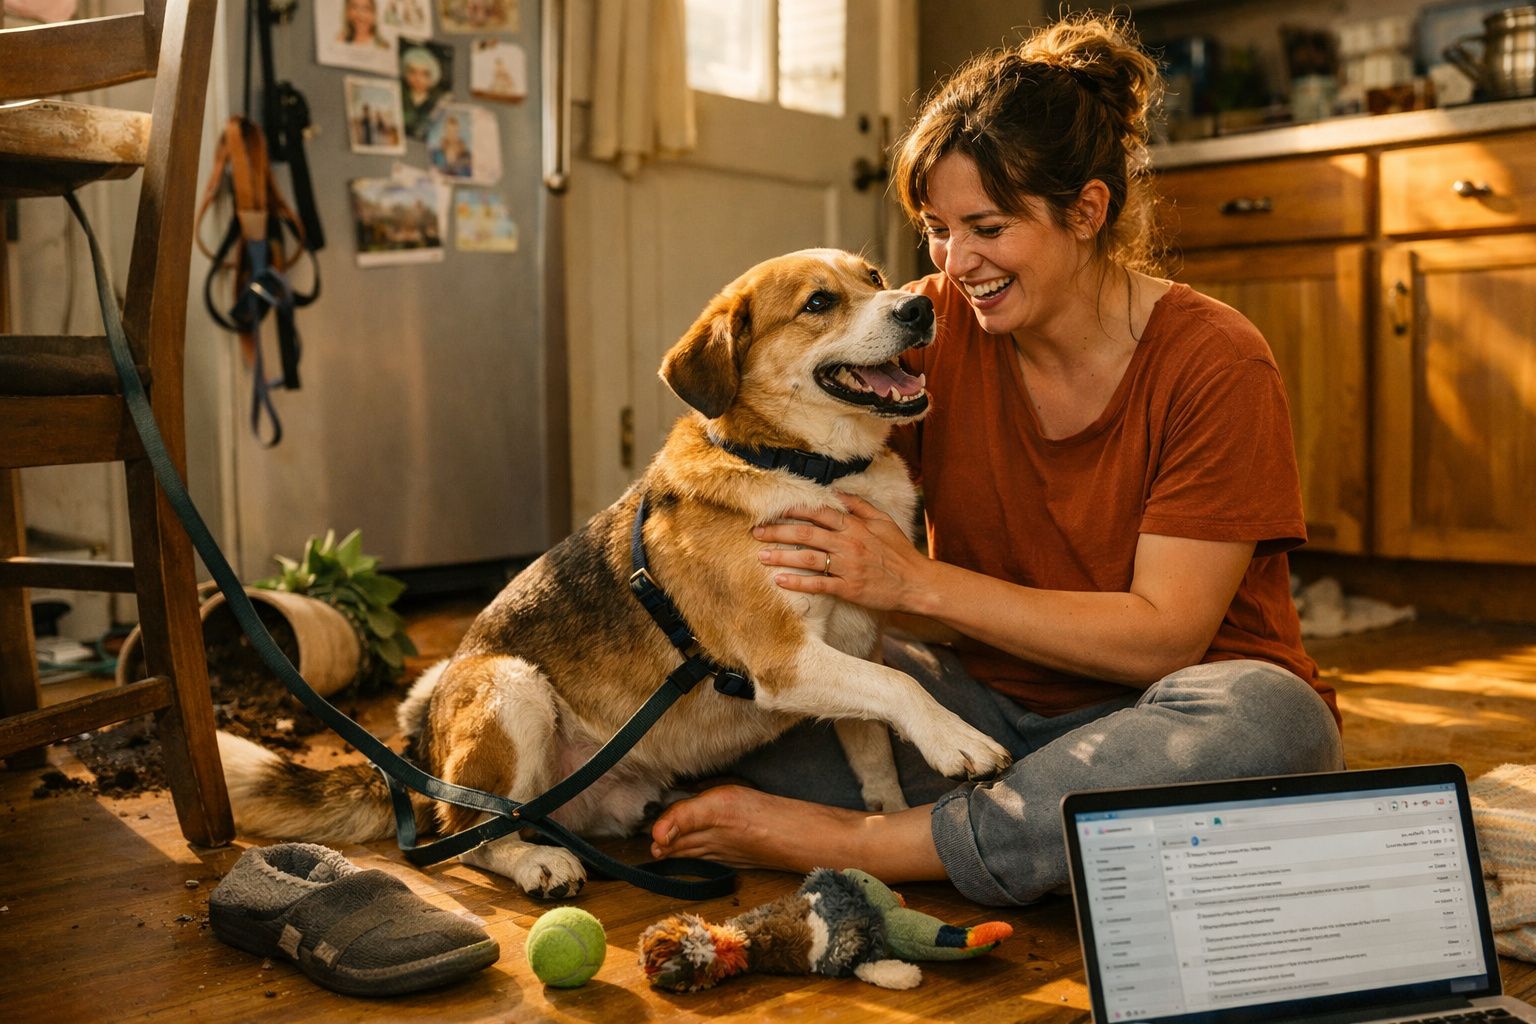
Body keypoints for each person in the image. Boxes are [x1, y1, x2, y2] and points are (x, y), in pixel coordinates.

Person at [648, 13, 1345, 907]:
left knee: (1273, 726)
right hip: (980, 702)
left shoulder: (1214, 360)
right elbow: (767, 407)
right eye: (936, 228)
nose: (953, 262)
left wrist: (916, 584)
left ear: (1087, 211)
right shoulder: (925, 329)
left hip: (1166, 707)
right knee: (717, 731)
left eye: (987, 227)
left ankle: (880, 842)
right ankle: (1036, 828)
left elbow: (1164, 639)